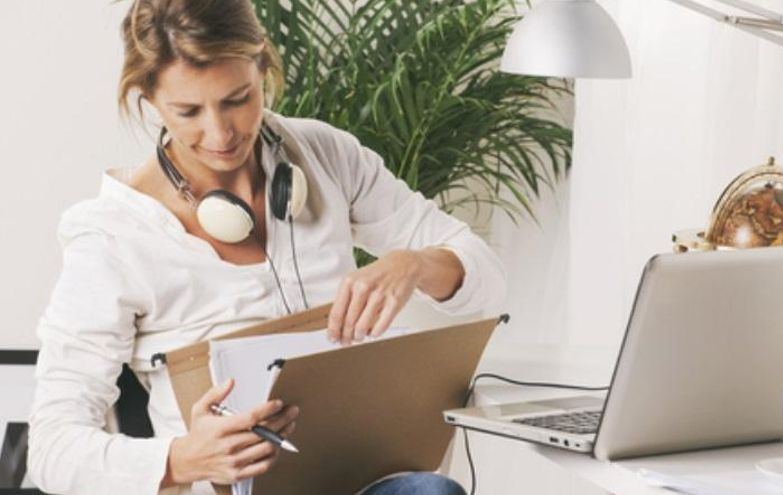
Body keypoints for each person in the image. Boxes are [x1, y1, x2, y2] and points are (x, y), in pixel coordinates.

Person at [26, 1, 505, 494]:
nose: (220, 133)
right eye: (187, 111)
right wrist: (182, 459)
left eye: (238, 98)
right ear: (148, 99)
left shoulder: (325, 154)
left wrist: (414, 264)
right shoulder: (110, 236)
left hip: (359, 477)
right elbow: (51, 450)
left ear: (262, 64)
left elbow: (487, 284)